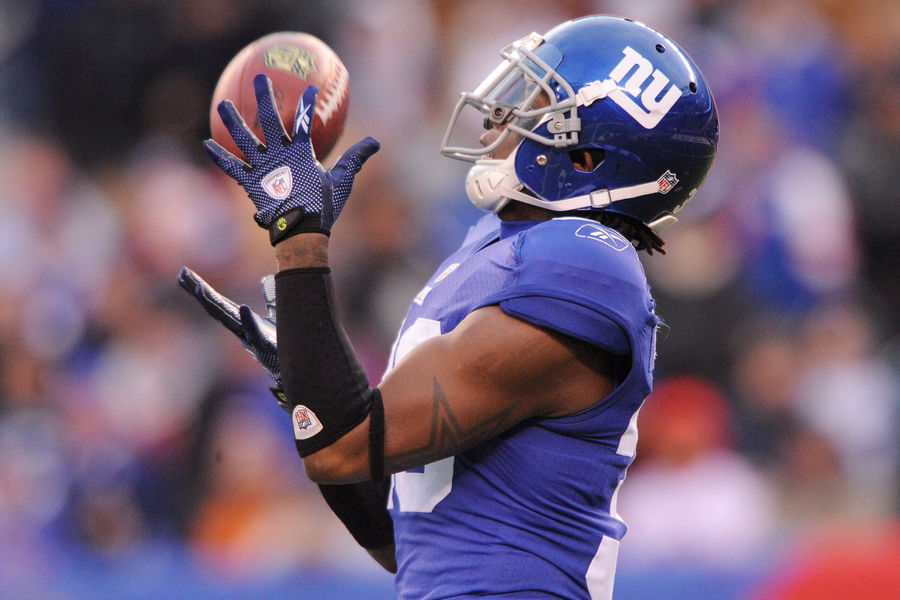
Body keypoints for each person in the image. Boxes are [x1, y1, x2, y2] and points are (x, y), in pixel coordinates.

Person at [179, 15, 718, 600]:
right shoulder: (496, 245)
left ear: (586, 157)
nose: (501, 116)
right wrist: (308, 374)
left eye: (537, 104)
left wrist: (298, 236)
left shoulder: (585, 261)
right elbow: (397, 534)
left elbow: (344, 445)